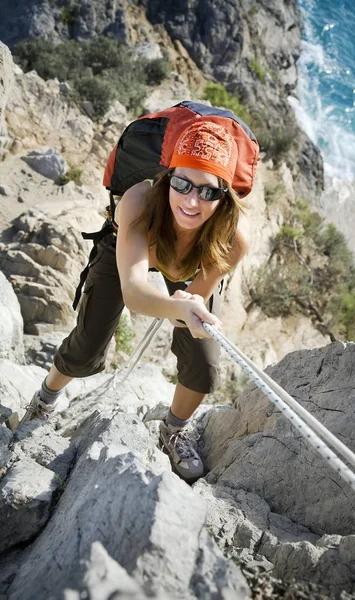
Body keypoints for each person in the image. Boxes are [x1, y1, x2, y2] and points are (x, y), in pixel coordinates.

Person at [20, 121, 250, 483]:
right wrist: (177, 307)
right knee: (87, 345)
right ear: (167, 177)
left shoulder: (232, 239)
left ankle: (173, 430)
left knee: (204, 364)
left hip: (194, 266)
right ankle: (45, 399)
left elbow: (188, 309)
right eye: (182, 184)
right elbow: (134, 289)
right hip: (126, 253)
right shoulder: (140, 201)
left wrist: (187, 310)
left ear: (224, 197)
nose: (192, 201)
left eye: (208, 192)